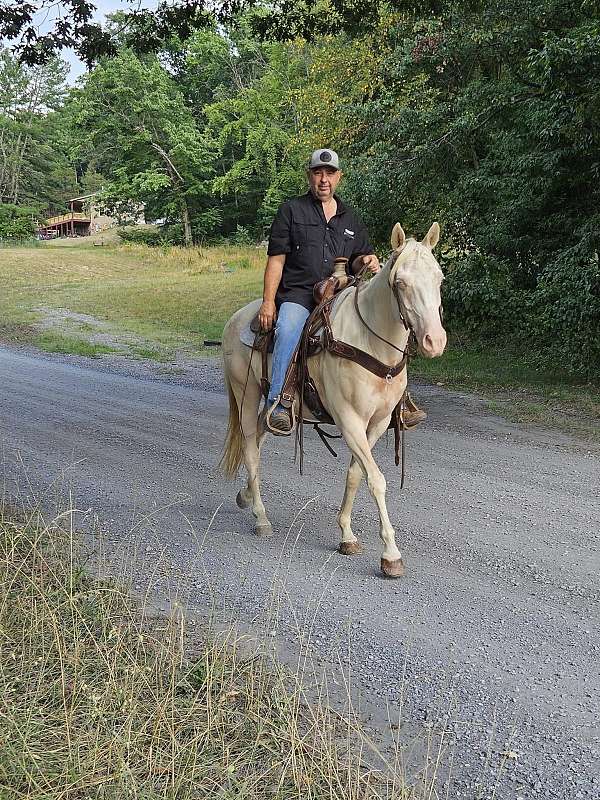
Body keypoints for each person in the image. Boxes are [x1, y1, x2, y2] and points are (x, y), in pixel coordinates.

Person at [259, 147, 426, 434]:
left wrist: (367, 260)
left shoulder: (350, 218)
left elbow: (360, 256)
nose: (324, 179)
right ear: (309, 176)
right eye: (318, 173)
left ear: (339, 177)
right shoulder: (291, 211)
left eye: (330, 173)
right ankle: (280, 402)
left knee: (387, 328)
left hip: (342, 295)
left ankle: (396, 400)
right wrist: (268, 302)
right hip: (300, 294)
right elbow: (276, 260)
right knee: (287, 329)